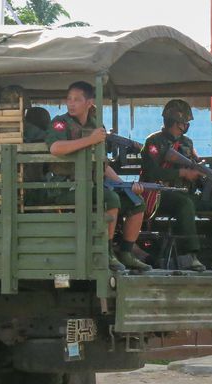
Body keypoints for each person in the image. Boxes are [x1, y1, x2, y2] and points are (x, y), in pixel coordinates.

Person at [45, 81, 151, 272]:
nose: (71, 103)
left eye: (77, 99)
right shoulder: (61, 122)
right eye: (69, 99)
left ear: (89, 102)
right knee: (110, 198)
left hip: (91, 185)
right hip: (64, 187)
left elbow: (102, 164)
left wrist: (126, 186)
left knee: (136, 202)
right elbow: (55, 148)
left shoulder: (96, 125)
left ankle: (126, 253)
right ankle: (106, 253)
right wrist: (90, 140)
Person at [139, 99, 212, 277]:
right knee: (185, 204)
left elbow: (197, 171)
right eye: (184, 122)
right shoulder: (154, 142)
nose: (186, 126)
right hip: (160, 196)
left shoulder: (187, 143)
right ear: (174, 122)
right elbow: (152, 172)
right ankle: (190, 255)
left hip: (186, 194)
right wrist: (182, 173)